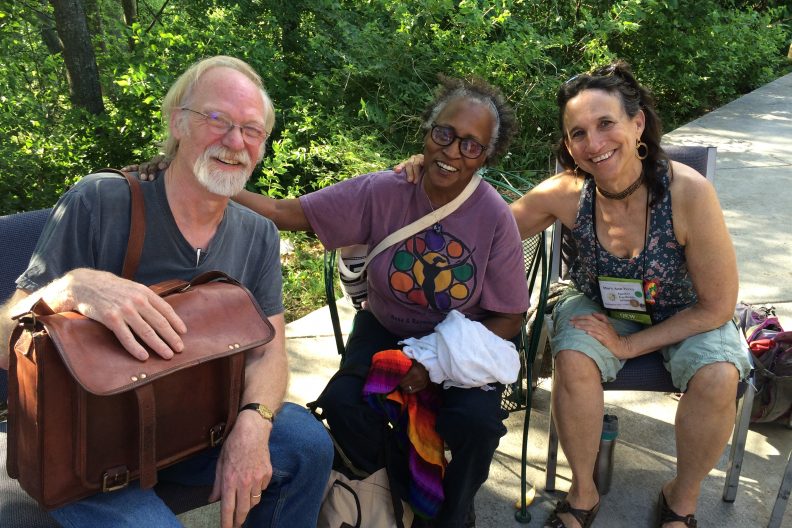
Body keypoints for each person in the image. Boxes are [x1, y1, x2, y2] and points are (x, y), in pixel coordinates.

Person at [133, 74, 530, 526]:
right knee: (343, 406)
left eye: (471, 145)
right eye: (445, 134)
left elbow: (510, 316)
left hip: (460, 348)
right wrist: (201, 174)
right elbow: (289, 213)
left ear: (487, 156)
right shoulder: (384, 191)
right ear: (427, 132)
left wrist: (434, 361)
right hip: (384, 331)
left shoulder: (494, 216)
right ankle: (399, 495)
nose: (453, 151)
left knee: (475, 426)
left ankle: (452, 515)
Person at [397, 61, 752, 528]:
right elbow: (483, 228)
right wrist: (435, 173)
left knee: (719, 377)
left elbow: (718, 306)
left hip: (688, 311)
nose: (594, 143)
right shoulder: (567, 193)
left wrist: (629, 346)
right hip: (598, 302)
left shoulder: (688, 193)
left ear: (637, 122)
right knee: (574, 359)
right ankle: (582, 493)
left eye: (606, 124)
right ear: (568, 144)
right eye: (578, 133)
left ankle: (680, 501)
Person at [0, 55, 333, 528]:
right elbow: (4, 343)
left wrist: (255, 422)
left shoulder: (257, 234)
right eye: (217, 119)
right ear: (178, 121)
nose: (235, 142)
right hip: (89, 452)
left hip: (195, 431)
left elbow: (270, 351)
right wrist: (68, 288)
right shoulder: (101, 202)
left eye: (252, 130)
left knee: (306, 445)